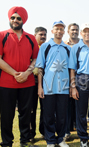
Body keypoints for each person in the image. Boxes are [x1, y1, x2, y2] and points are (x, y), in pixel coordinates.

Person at [0, 6, 39, 147]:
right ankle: (6, 142)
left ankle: (25, 141)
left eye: (18, 18)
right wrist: (14, 73)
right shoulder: (2, 35)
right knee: (6, 115)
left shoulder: (31, 38)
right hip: (6, 83)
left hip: (27, 83)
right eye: (12, 18)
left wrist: (27, 73)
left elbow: (35, 59)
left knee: (26, 114)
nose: (15, 20)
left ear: (23, 20)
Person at [35, 20, 70, 147]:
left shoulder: (67, 48)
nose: (59, 31)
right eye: (57, 28)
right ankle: (50, 140)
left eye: (61, 29)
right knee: (48, 115)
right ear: (52, 31)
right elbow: (40, 68)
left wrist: (72, 85)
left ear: (64, 32)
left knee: (62, 116)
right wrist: (40, 86)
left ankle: (60, 139)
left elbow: (71, 68)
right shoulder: (45, 46)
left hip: (64, 87)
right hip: (48, 86)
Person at [30, 26, 47, 141]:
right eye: (41, 34)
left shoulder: (46, 48)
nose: (43, 36)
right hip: (31, 82)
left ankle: (44, 131)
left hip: (45, 82)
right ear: (35, 35)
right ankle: (30, 135)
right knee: (31, 108)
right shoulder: (30, 47)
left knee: (45, 109)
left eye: (45, 34)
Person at [64, 23, 80, 141]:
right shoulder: (64, 45)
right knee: (67, 105)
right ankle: (66, 130)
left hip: (82, 78)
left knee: (80, 105)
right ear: (68, 31)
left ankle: (80, 128)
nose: (74, 31)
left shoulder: (83, 43)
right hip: (66, 78)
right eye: (72, 30)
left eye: (76, 30)